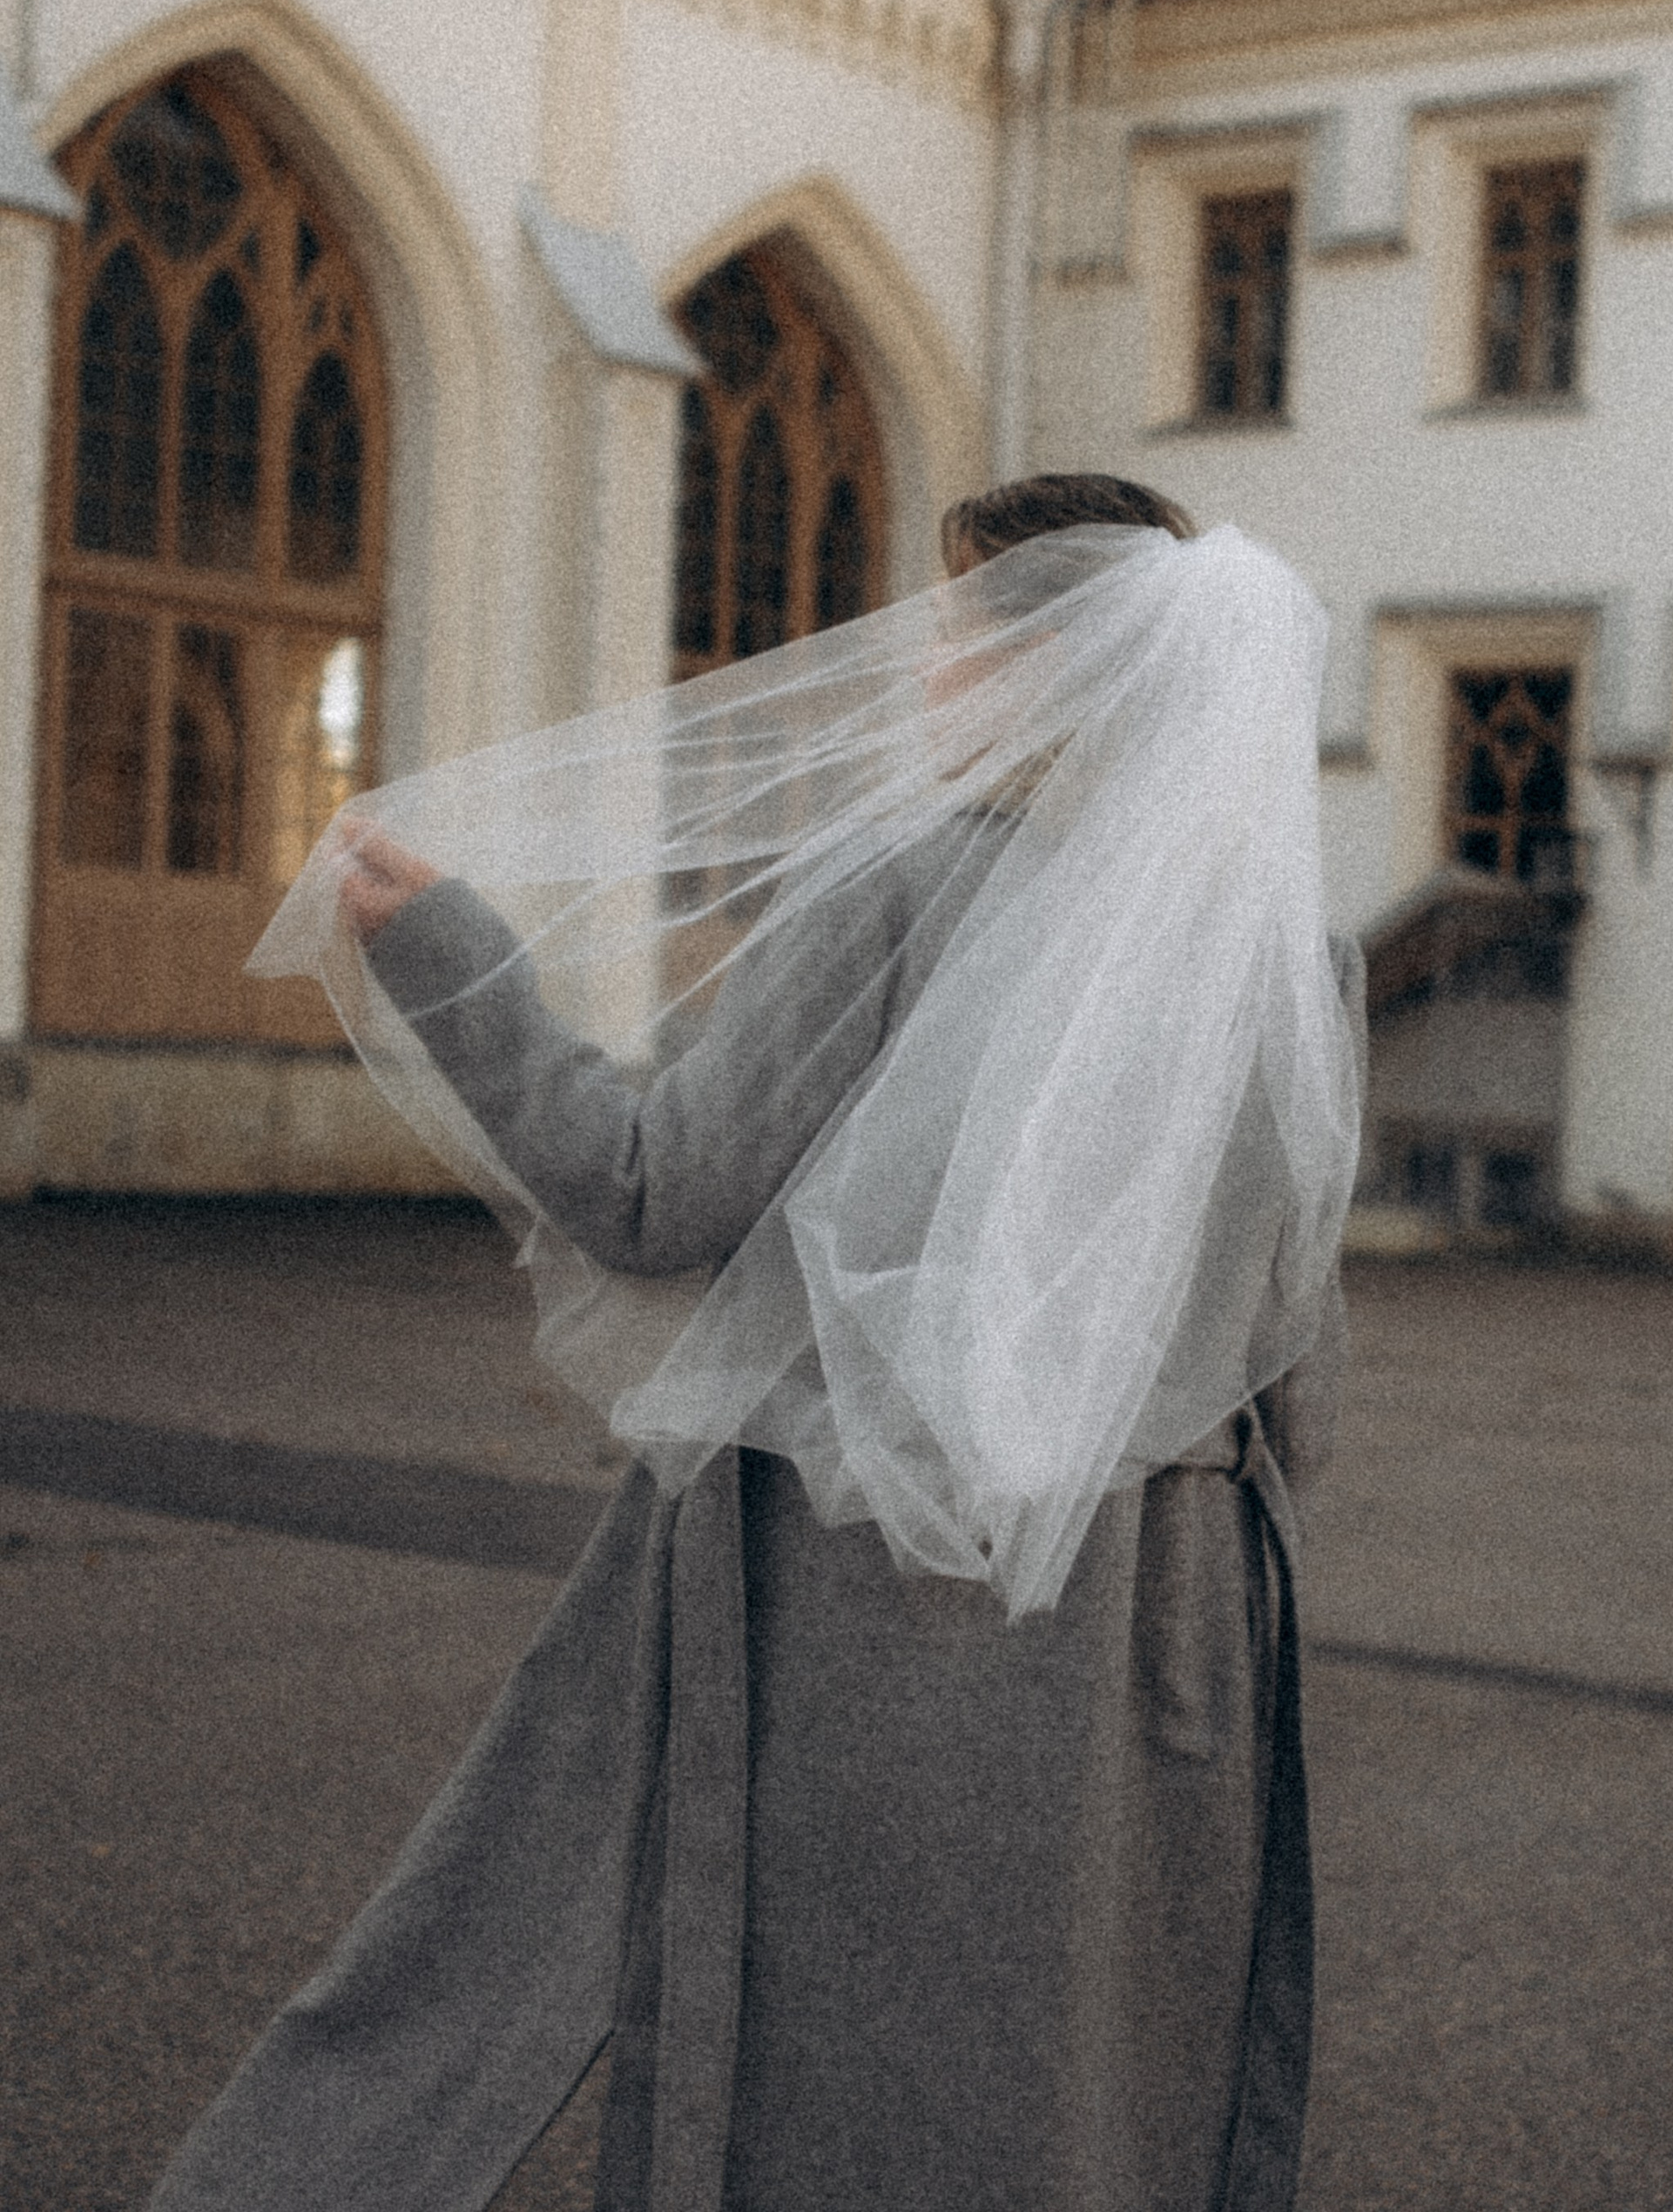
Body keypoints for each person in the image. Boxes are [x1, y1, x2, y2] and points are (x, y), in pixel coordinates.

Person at [148, 474, 1361, 2212]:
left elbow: (651, 1190)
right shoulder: (1288, 955)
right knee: (1099, 2079)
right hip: (1176, 1613)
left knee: (839, 2069)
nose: (922, 665)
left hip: (885, 1596)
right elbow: (1299, 1359)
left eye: (951, 629)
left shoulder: (897, 894)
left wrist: (449, 954)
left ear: (1041, 669)